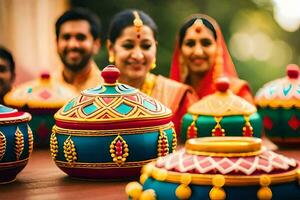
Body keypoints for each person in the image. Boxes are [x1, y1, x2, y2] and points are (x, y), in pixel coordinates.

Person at [107, 9, 197, 136]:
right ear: (111, 49)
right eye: (128, 46)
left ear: (155, 47)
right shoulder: (91, 95)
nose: (138, 55)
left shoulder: (179, 97)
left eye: (146, 46)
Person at [170, 14, 254, 103]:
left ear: (218, 48)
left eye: (206, 43)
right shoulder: (171, 95)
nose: (198, 52)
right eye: (190, 44)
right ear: (180, 50)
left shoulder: (238, 93)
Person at [54, 8, 102, 93]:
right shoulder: (40, 92)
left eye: (81, 37)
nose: (73, 45)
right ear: (56, 43)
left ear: (96, 45)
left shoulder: (110, 92)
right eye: (66, 37)